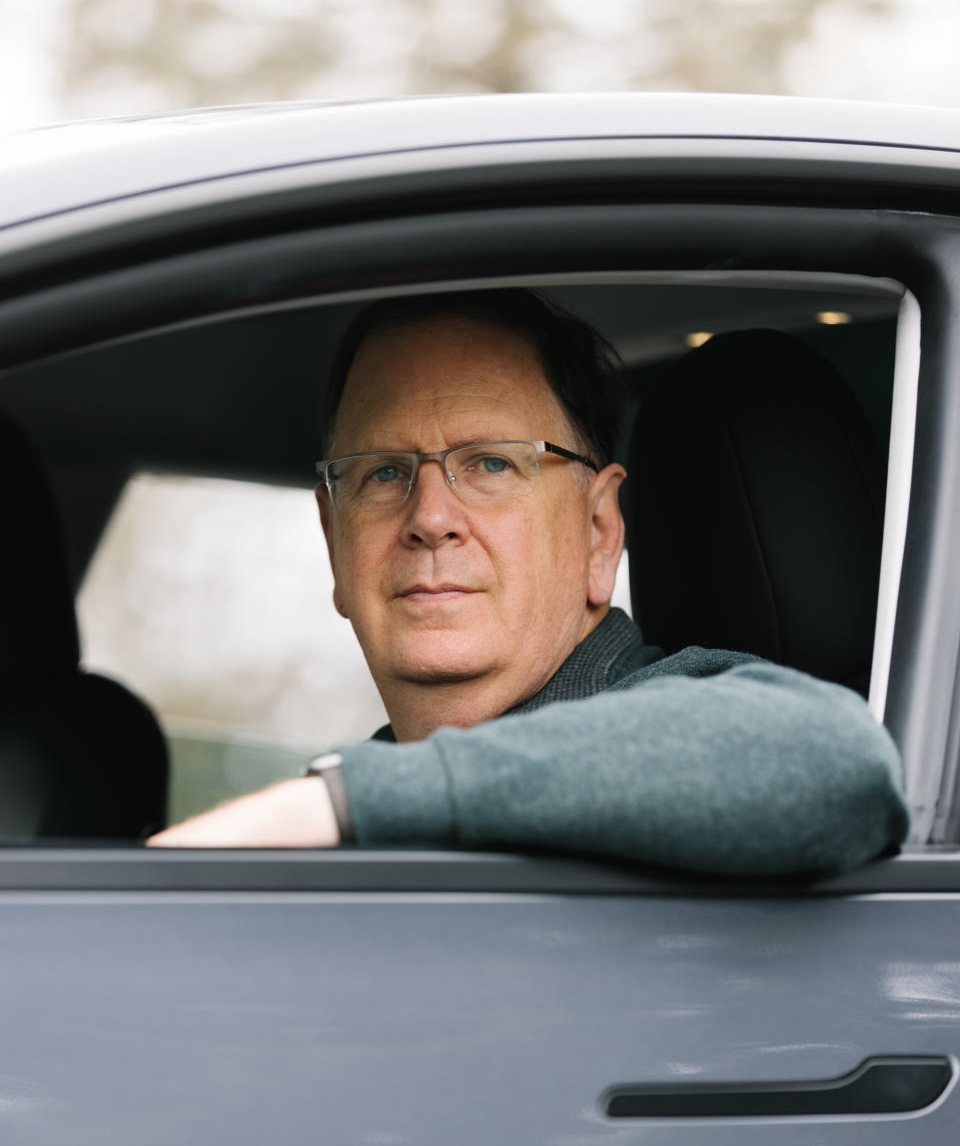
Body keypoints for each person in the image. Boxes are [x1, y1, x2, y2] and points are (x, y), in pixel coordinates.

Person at [149, 289, 909, 875]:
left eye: (490, 463)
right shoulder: (352, 817)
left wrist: (350, 803)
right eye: (383, 473)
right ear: (333, 543)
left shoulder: (719, 730)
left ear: (598, 532)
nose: (431, 516)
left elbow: (839, 759)